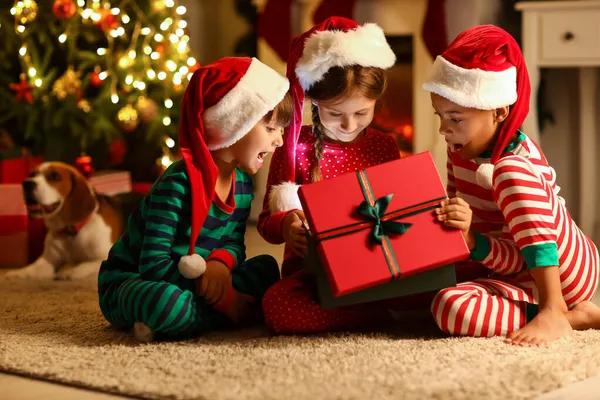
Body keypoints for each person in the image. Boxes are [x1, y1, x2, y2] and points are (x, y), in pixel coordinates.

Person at [423, 25, 600, 346]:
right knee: (447, 307)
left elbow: (525, 251)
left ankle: (554, 308)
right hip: (511, 272)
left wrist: (473, 241)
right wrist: (462, 236)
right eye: (439, 116)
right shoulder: (458, 152)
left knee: (507, 171)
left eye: (455, 118)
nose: (443, 130)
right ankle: (577, 318)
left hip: (562, 270)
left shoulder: (517, 160)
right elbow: (508, 258)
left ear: (499, 111)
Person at [98, 57, 292, 342]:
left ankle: (187, 320)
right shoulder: (177, 184)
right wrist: (220, 295)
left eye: (282, 130)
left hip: (199, 280)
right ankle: (211, 315)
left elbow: (234, 244)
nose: (280, 141)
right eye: (271, 128)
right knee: (166, 304)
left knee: (267, 269)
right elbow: (153, 265)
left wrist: (220, 266)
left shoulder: (242, 184)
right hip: (136, 280)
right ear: (234, 122)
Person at [257, 17, 405, 334]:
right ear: (315, 101)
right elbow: (266, 223)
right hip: (312, 277)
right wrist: (286, 225)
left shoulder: (384, 147)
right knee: (278, 306)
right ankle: (370, 314)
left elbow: (402, 214)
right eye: (336, 113)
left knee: (449, 282)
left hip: (376, 273)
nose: (349, 125)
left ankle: (372, 306)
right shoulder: (294, 147)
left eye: (362, 113)